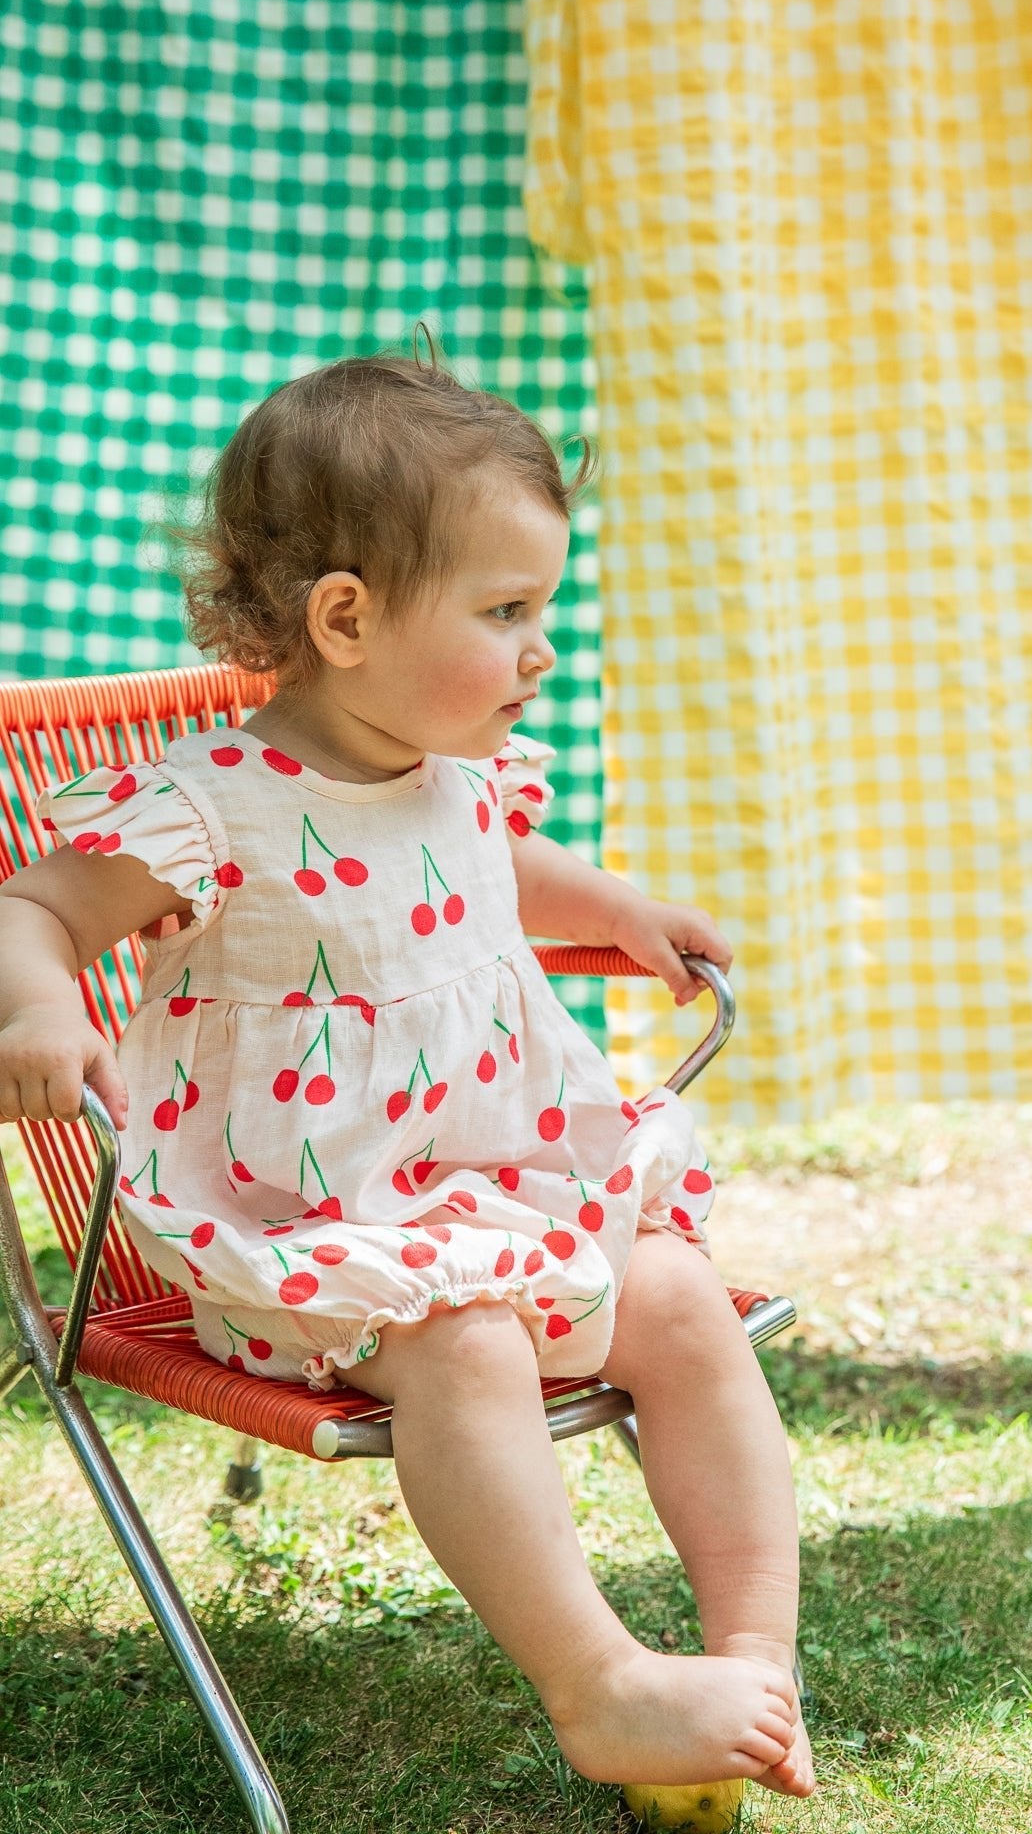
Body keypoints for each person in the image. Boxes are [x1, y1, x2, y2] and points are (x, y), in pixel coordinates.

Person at [0, 348, 815, 1797]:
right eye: (506, 613)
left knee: (682, 1299)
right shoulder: (212, 805)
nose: (540, 649)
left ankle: (754, 1656)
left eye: (540, 609)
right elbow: (35, 908)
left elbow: (499, 861)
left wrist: (613, 907)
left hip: (501, 1190)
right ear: (346, 619)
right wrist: (42, 1008)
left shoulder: (452, 770)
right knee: (471, 1347)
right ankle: (601, 1684)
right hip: (307, 1236)